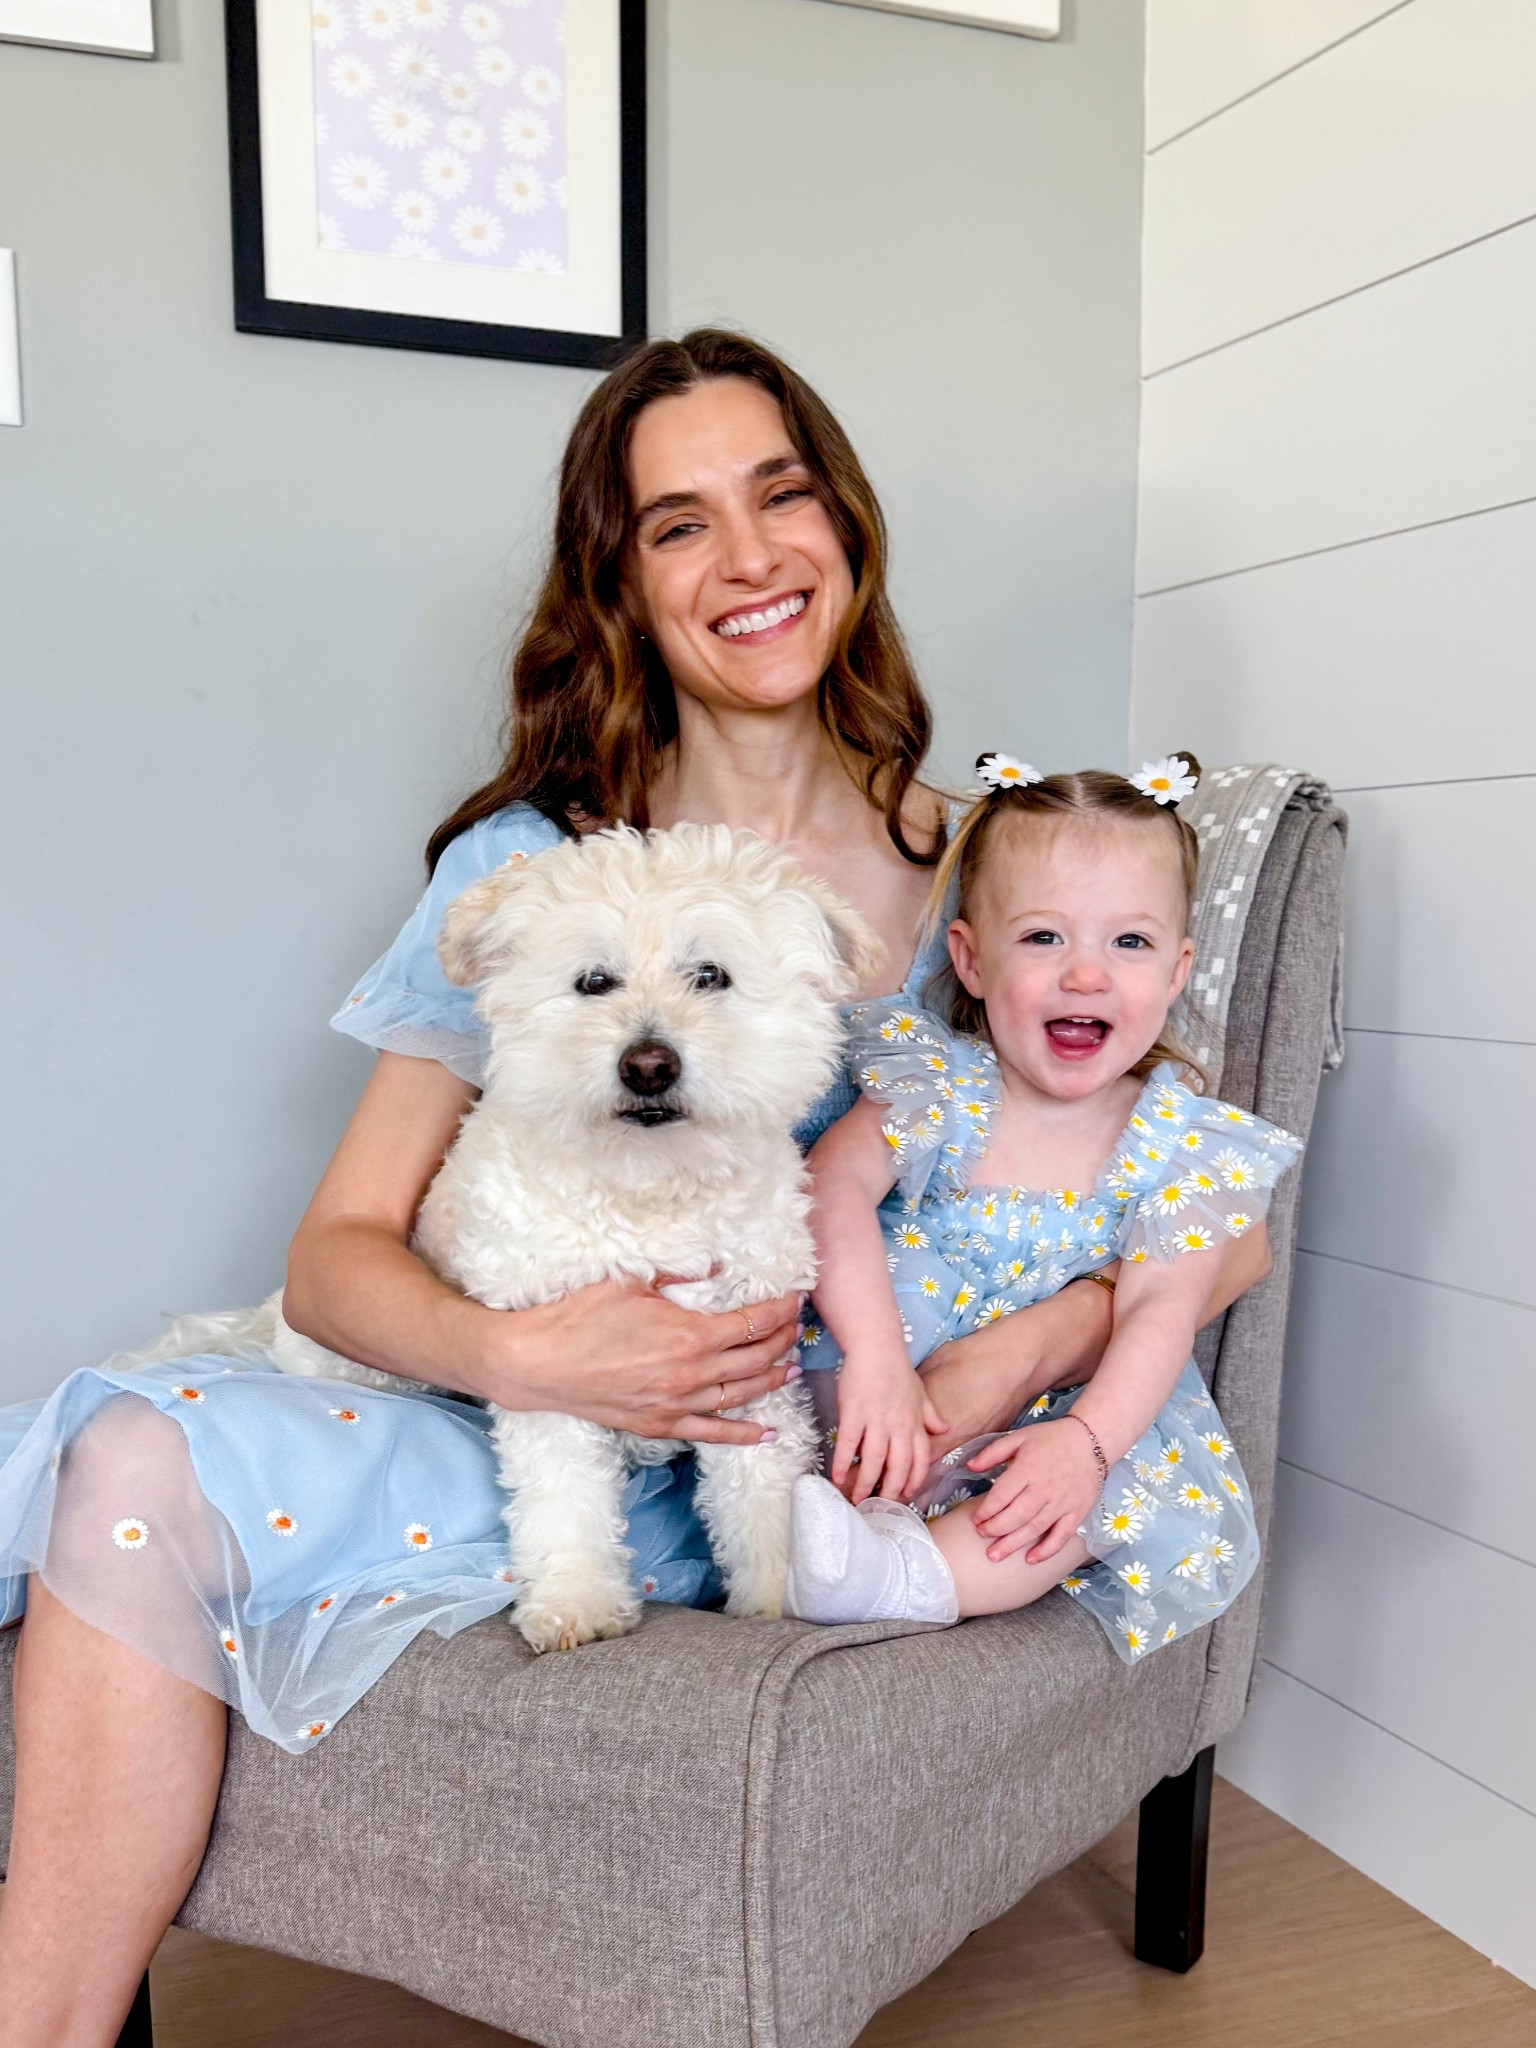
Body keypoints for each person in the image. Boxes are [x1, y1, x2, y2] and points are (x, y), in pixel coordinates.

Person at [0, 332, 1268, 2047]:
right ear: (621, 585)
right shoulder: (540, 865)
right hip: (523, 1424)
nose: (746, 557)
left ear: (847, 526)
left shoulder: (1003, 867)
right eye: (678, 525)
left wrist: (1028, 1338)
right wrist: (531, 1357)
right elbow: (335, 1257)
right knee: (128, 1461)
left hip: (817, 1469)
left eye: (780, 495)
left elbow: (1202, 1204)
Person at [784, 753, 1300, 1660]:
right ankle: (803, 1524)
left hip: (1041, 1428)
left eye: (1129, 943)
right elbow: (830, 1186)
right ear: (971, 960)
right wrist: (876, 1359)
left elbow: (1159, 1307)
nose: (1086, 977)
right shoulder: (940, 1086)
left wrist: (1087, 1444)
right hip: (870, 1403)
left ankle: (904, 1575)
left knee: (1107, 1489)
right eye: (1044, 938)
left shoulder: (1180, 1144)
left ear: (1178, 970)